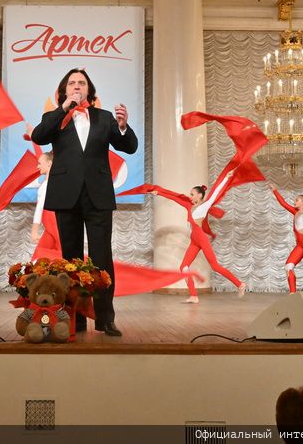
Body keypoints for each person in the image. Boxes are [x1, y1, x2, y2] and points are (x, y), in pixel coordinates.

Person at [31, 68, 138, 337]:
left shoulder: (104, 117)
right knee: (71, 259)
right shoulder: (54, 118)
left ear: (89, 90)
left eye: (81, 83)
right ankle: (75, 318)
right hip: (66, 194)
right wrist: (63, 109)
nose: (77, 86)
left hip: (97, 194)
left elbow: (129, 146)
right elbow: (38, 136)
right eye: (71, 83)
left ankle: (105, 319)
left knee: (102, 259)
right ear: (64, 90)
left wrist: (123, 127)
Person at [154, 178, 246, 304]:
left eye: (192, 194)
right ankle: (193, 296)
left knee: (215, 266)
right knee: (184, 267)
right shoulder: (189, 205)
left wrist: (226, 178)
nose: (190, 196)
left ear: (199, 195)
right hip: (194, 240)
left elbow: (216, 192)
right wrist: (159, 193)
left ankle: (240, 284)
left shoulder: (204, 206)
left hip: (201, 238)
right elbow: (175, 197)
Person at [269, 183, 303, 293]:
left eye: (297, 200)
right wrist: (275, 190)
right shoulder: (295, 212)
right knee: (288, 266)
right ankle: (293, 294)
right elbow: (283, 203)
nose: (295, 202)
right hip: (301, 245)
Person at [31, 151, 54, 244]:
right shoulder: (50, 182)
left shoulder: (48, 184)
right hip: (51, 226)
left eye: (40, 163)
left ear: (49, 164)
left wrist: (34, 230)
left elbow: (40, 206)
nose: (37, 166)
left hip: (52, 226)